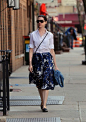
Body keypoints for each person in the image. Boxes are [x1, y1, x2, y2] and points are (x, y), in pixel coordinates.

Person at [28, 15, 58, 112]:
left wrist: (55, 65)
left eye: (41, 21)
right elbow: (31, 49)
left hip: (47, 59)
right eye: (38, 21)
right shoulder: (33, 34)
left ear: (45, 22)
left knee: (46, 81)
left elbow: (52, 50)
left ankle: (44, 105)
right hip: (37, 59)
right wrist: (30, 64)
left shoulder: (50, 35)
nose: (39, 23)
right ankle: (42, 101)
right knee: (39, 82)